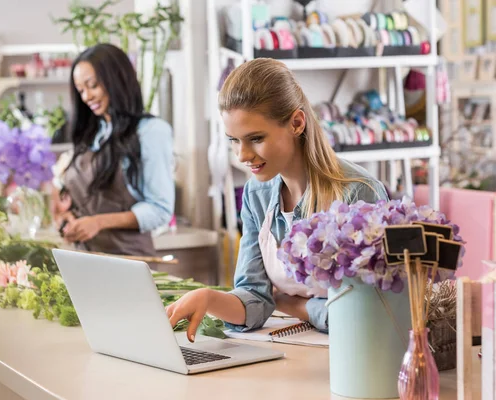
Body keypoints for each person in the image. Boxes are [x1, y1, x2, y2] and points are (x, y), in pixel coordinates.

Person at [166, 58, 388, 342]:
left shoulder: (358, 193)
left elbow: (363, 312)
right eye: (234, 140)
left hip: (353, 357)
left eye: (255, 138)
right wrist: (208, 298)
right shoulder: (256, 195)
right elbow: (255, 299)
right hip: (294, 351)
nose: (242, 155)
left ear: (296, 123)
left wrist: (292, 305)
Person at [53, 43, 175, 257]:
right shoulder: (93, 134)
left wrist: (98, 222)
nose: (86, 97)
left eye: (92, 85)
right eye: (81, 90)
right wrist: (69, 218)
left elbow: (160, 210)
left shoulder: (150, 132)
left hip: (129, 263)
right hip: (86, 260)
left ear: (116, 80)